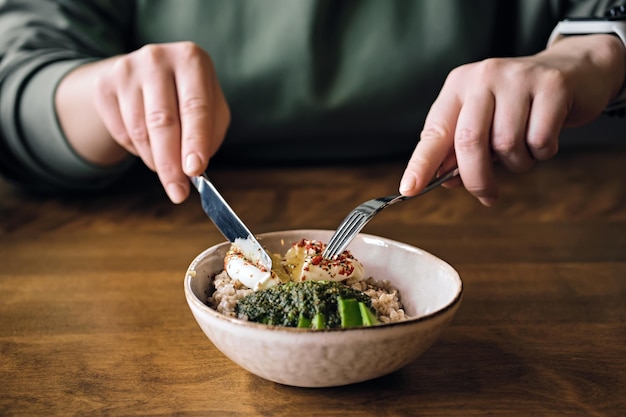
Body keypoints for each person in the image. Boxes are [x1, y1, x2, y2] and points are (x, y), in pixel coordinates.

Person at [0, 0, 624, 206]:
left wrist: (591, 51)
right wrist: (98, 95)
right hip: (144, 208)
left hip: (507, 197)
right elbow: (19, 73)